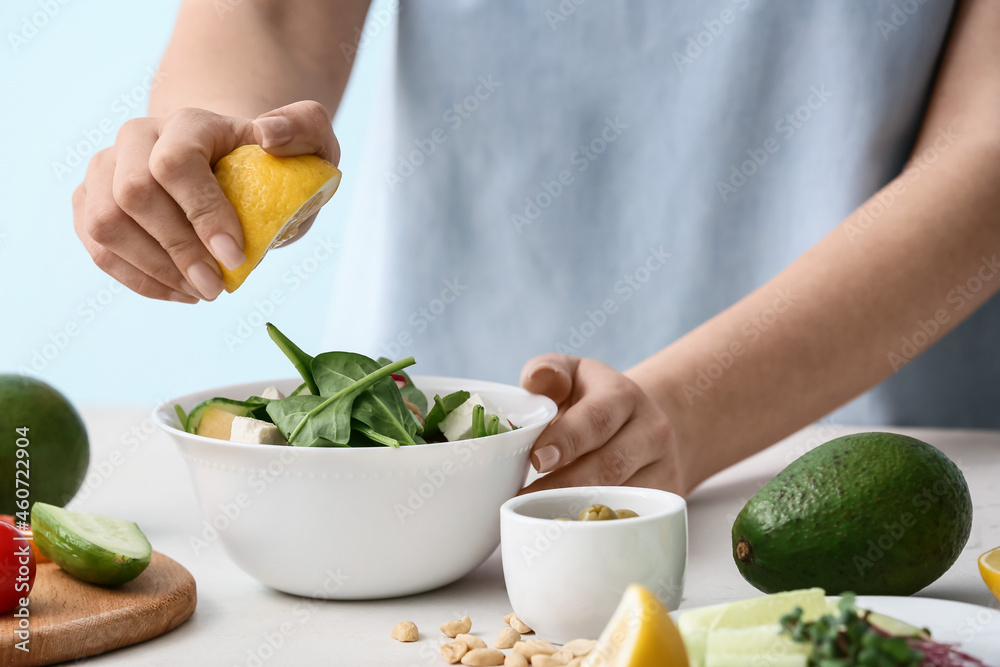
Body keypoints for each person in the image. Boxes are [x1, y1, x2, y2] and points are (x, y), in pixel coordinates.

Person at [73, 1, 1000, 497]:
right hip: (421, 451)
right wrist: (212, 148)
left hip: (852, 447)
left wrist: (696, 409)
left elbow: (987, 154)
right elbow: (274, 15)